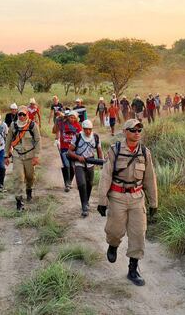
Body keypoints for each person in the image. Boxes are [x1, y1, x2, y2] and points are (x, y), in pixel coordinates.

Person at [97, 119, 158, 286]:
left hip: (137, 198)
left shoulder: (145, 153)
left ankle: (133, 269)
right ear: (125, 132)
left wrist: (153, 203)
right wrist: (102, 200)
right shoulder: (115, 150)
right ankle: (113, 245)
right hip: (117, 197)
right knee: (115, 231)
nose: (137, 133)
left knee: (138, 234)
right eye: (133, 130)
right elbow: (106, 175)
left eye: (140, 129)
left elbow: (150, 179)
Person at [4, 105, 41, 210]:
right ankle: (19, 201)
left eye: (23, 114)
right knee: (18, 177)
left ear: (27, 115)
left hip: (30, 156)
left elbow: (38, 141)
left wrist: (36, 156)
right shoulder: (13, 125)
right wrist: (6, 155)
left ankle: (29, 189)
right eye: (19, 114)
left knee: (30, 177)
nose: (21, 116)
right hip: (17, 155)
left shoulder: (33, 125)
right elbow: (8, 141)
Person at [68, 120, 103, 217]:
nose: (88, 131)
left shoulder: (95, 137)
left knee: (89, 184)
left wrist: (101, 162)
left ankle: (86, 201)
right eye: (86, 129)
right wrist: (78, 157)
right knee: (81, 183)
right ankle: (84, 206)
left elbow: (99, 150)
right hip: (79, 163)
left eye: (89, 129)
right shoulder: (77, 137)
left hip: (90, 163)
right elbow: (70, 151)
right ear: (83, 129)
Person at [54, 110, 82, 192]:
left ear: (76, 118)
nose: (72, 119)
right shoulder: (63, 124)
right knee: (66, 165)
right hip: (64, 148)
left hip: (73, 149)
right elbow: (57, 124)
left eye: (74, 118)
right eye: (71, 117)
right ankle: (67, 183)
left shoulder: (77, 126)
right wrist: (61, 117)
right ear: (68, 117)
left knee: (73, 166)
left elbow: (80, 136)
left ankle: (69, 182)